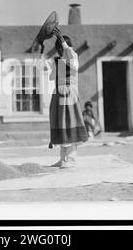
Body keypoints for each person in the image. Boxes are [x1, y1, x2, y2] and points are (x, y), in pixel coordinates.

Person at [45, 27, 88, 169]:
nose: (61, 50)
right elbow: (45, 68)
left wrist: (63, 42)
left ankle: (71, 160)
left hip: (69, 96)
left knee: (69, 125)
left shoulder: (73, 58)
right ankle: (63, 158)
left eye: (63, 47)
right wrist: (40, 47)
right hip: (58, 94)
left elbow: (70, 55)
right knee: (61, 125)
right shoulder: (56, 61)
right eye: (59, 47)